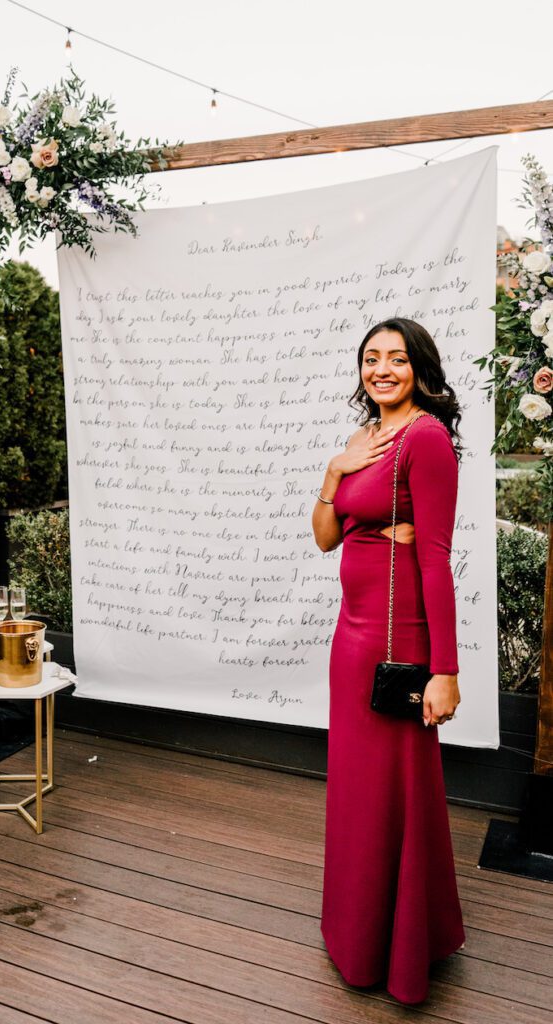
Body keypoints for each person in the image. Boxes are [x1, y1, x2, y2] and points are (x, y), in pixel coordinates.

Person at [312, 316, 466, 1005]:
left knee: (396, 790)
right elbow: (323, 538)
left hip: (398, 642)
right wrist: (333, 472)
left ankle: (401, 951)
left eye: (395, 359)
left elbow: (431, 557)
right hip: (350, 641)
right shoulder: (362, 438)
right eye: (370, 359)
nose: (381, 370)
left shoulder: (424, 438)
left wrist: (445, 669)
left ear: (419, 369)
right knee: (356, 792)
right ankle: (356, 934)